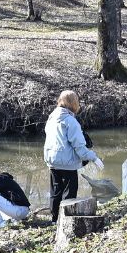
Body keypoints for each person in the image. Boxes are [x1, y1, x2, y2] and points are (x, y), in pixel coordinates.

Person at [43, 90, 103, 223]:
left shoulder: (51, 117)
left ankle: (54, 220)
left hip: (52, 160)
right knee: (69, 192)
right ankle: (65, 220)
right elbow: (79, 147)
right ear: (73, 103)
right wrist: (94, 157)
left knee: (55, 191)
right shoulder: (70, 121)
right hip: (68, 163)